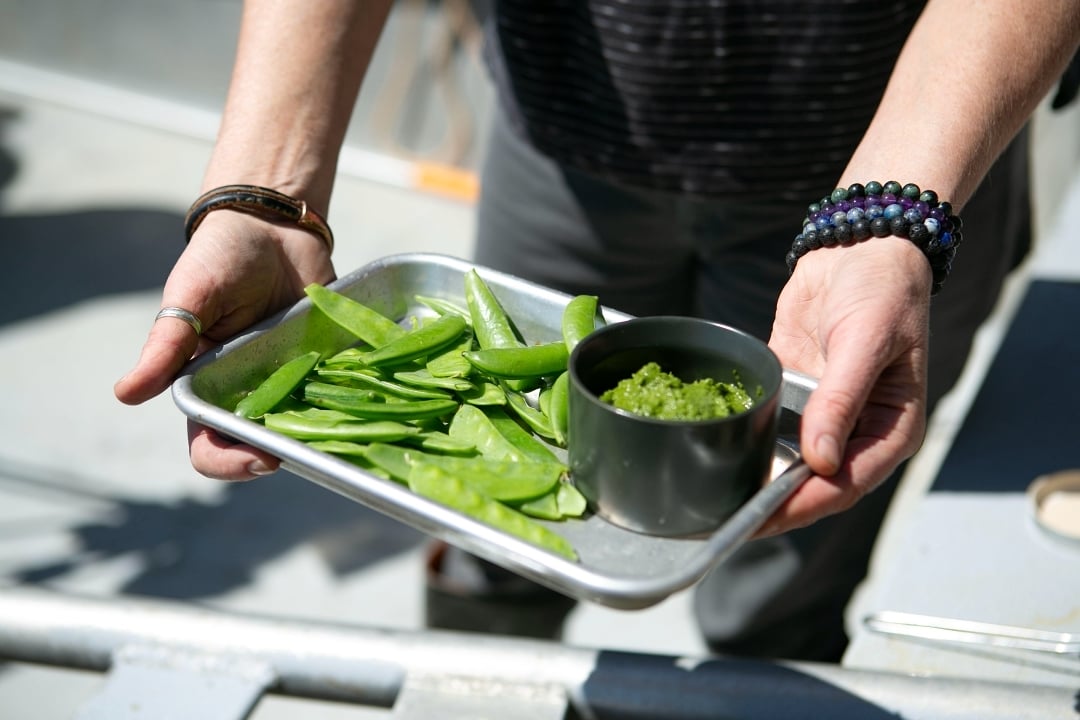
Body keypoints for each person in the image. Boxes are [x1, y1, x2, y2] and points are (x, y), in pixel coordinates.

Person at [115, 1, 1080, 661]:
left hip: (899, 161)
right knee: (498, 552)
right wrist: (268, 192)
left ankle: (763, 674)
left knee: (786, 549)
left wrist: (884, 224)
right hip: (565, 139)